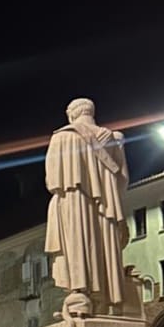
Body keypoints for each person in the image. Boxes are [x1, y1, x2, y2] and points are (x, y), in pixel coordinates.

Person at [44, 97, 128, 311]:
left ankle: (79, 295)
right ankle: (107, 299)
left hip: (73, 202)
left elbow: (52, 181)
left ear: (72, 114)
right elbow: (123, 180)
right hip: (106, 207)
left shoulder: (62, 137)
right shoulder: (113, 139)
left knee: (79, 244)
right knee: (103, 248)